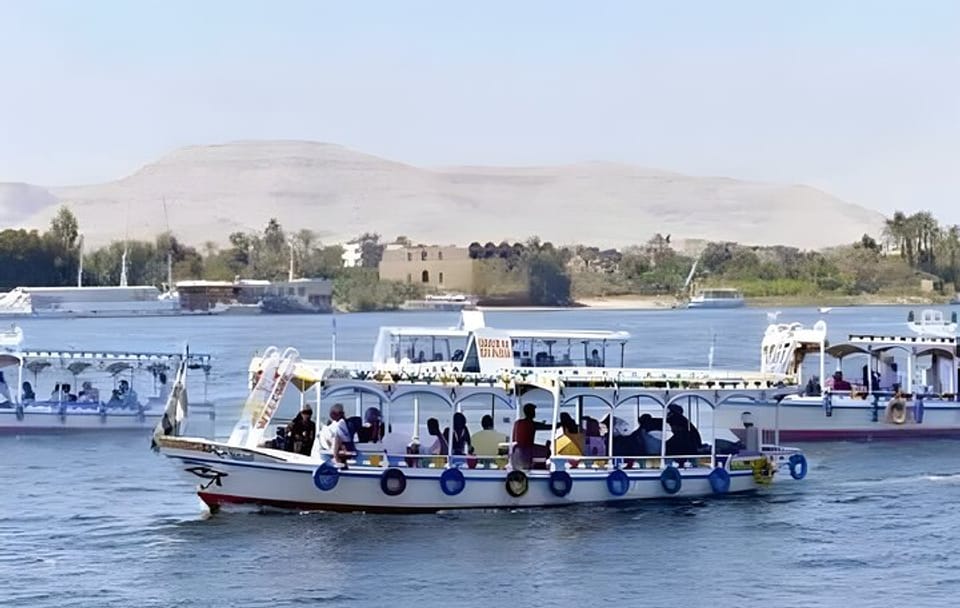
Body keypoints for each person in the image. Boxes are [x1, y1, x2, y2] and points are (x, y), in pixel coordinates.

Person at [511, 403, 551, 469]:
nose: (534, 413)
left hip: (516, 450)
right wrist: (561, 424)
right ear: (531, 412)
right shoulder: (531, 424)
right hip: (527, 450)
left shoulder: (518, 423)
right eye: (533, 411)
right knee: (548, 451)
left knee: (546, 449)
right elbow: (548, 427)